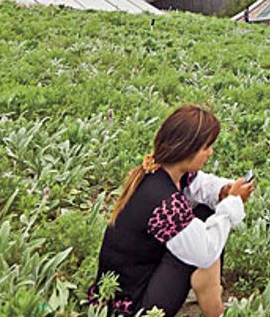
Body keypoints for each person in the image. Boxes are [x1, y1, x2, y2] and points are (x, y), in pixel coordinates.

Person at [89, 105, 254, 317]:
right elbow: (205, 252)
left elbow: (200, 184)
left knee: (206, 215)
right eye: (207, 147)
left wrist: (223, 191)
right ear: (187, 149)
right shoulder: (164, 202)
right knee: (205, 244)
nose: (210, 152)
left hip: (118, 293)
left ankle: (207, 294)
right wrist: (233, 203)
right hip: (138, 308)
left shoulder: (158, 173)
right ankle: (214, 308)